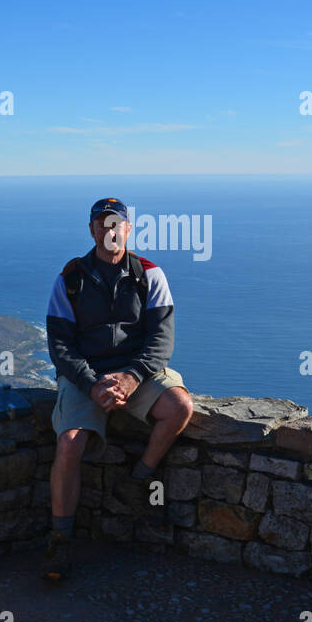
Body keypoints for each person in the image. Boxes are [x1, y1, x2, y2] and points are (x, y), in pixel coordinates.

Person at [41, 197, 194, 579]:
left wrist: (131, 377)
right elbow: (60, 346)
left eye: (116, 225)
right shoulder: (71, 279)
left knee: (179, 407)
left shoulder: (149, 274)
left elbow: (162, 340)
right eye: (102, 225)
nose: (109, 232)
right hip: (87, 376)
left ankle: (137, 481)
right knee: (70, 442)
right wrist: (93, 385)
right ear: (92, 231)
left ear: (128, 229)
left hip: (136, 373)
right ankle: (61, 539)